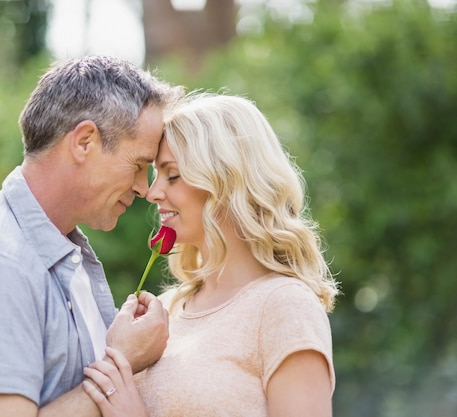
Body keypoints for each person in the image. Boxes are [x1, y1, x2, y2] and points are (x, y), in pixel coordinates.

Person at [0, 55, 183, 417]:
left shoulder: (61, 255)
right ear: (84, 142)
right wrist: (122, 362)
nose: (143, 188)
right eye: (138, 165)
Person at [82, 92, 340, 417]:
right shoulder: (167, 310)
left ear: (226, 181)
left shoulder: (284, 306)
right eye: (155, 175)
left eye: (172, 175)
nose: (152, 192)